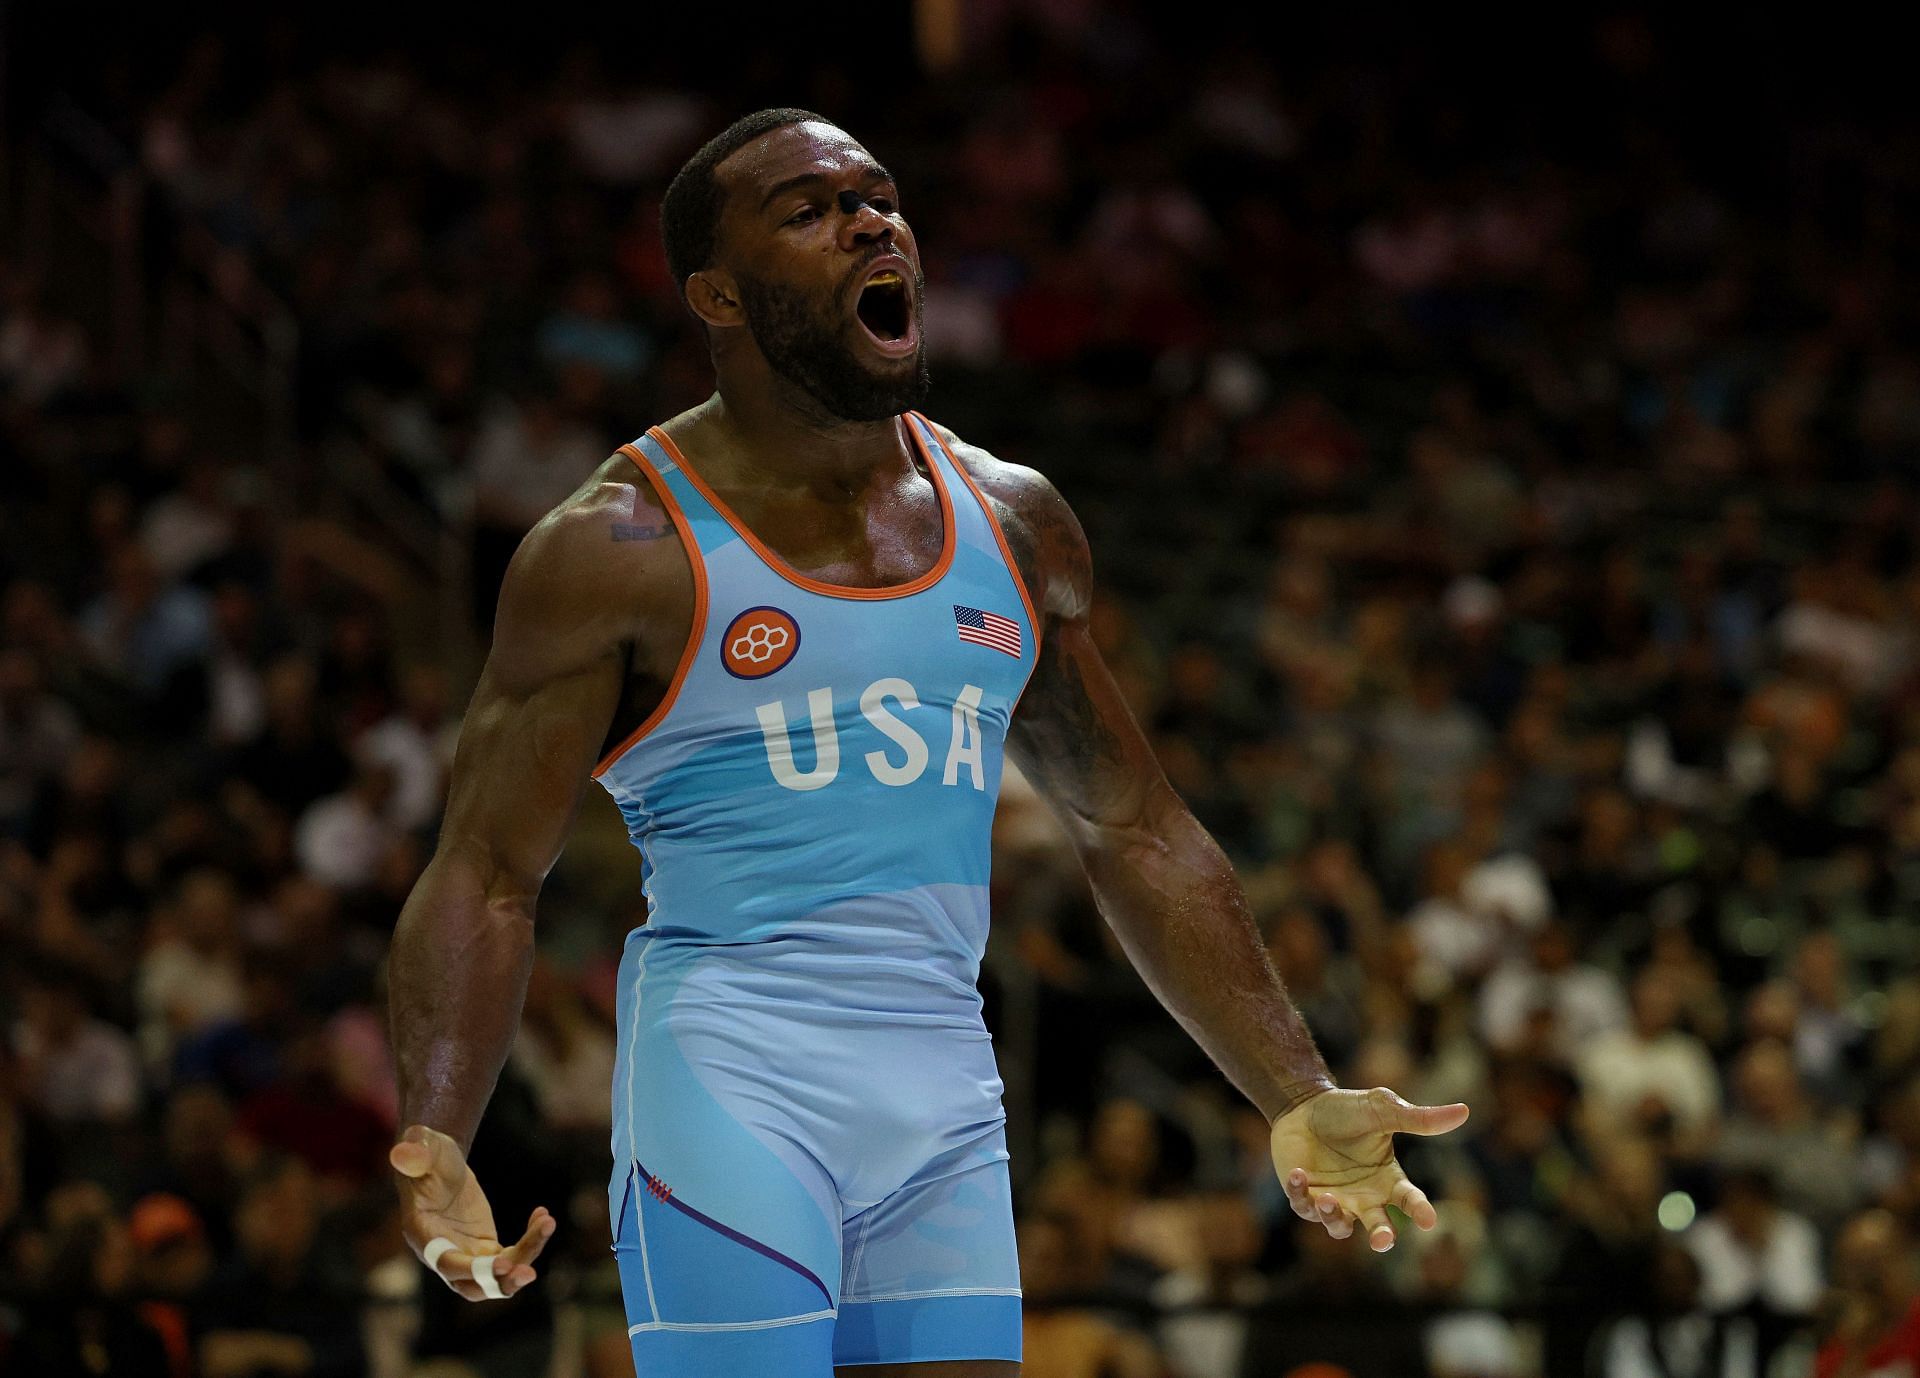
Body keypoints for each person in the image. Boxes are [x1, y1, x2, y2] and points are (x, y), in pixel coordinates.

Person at [385, 107, 1469, 1376]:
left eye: (878, 196)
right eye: (809, 209)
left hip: (947, 1100)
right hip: (734, 1080)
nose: (868, 221)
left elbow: (1136, 825)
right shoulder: (616, 547)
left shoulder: (1013, 520)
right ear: (718, 294)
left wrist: (1295, 1086)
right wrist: (440, 1128)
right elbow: (485, 871)